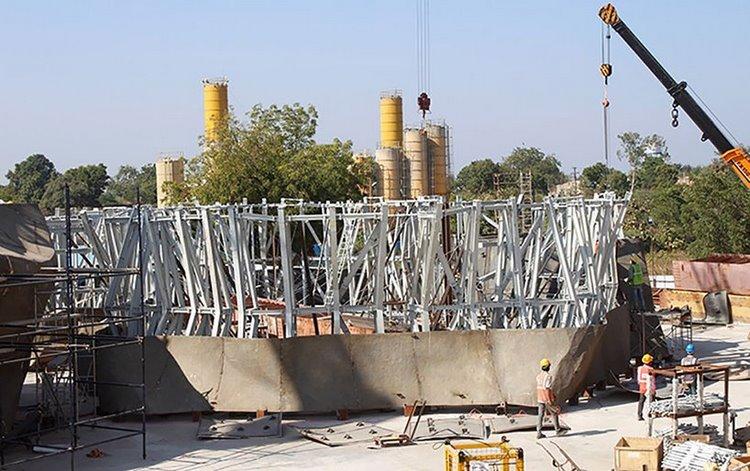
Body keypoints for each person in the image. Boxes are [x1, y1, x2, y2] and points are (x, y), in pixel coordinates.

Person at [536, 358, 566, 439]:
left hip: (540, 398)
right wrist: (549, 400)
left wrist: (552, 395)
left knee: (540, 415)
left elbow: (541, 388)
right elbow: (547, 389)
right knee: (554, 413)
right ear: (548, 366)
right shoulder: (548, 376)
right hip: (546, 399)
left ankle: (538, 432)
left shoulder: (538, 376)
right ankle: (558, 430)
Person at [637, 354, 657, 421]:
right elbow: (653, 379)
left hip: (642, 387)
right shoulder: (651, 369)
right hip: (650, 387)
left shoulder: (640, 368)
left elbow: (638, 379)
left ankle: (639, 415)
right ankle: (651, 413)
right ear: (649, 362)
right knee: (652, 402)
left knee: (641, 401)